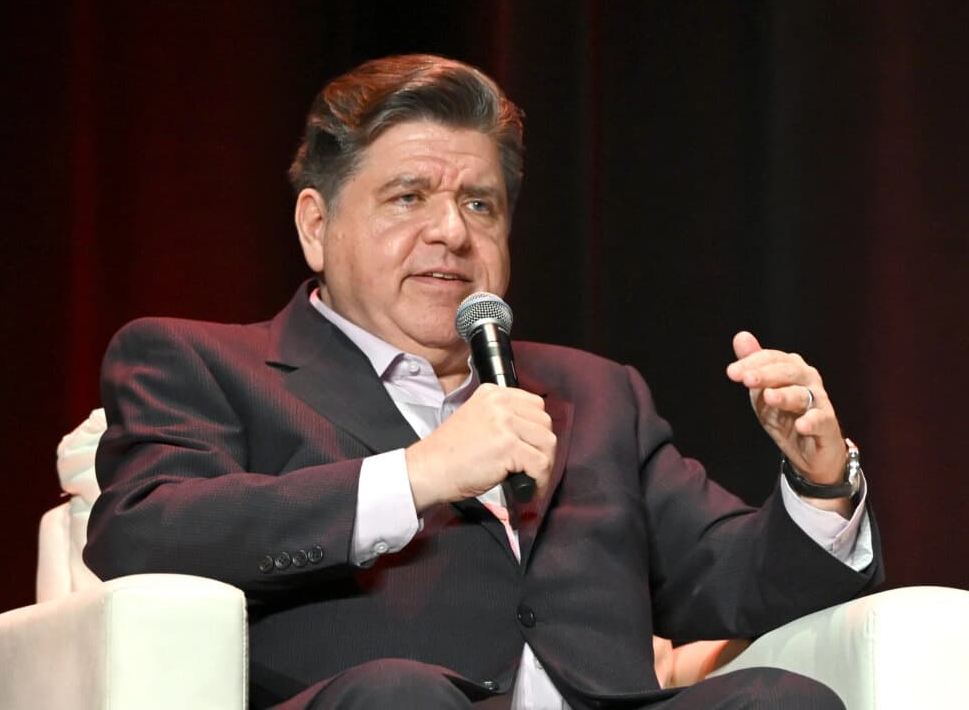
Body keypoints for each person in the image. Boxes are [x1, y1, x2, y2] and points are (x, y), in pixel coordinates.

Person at [84, 54, 880, 710]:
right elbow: (144, 532)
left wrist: (819, 484)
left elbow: (728, 580)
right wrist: (418, 474)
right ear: (316, 227)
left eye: (479, 203)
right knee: (399, 697)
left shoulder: (596, 393)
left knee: (780, 699)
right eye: (409, 197)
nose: (453, 232)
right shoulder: (198, 362)